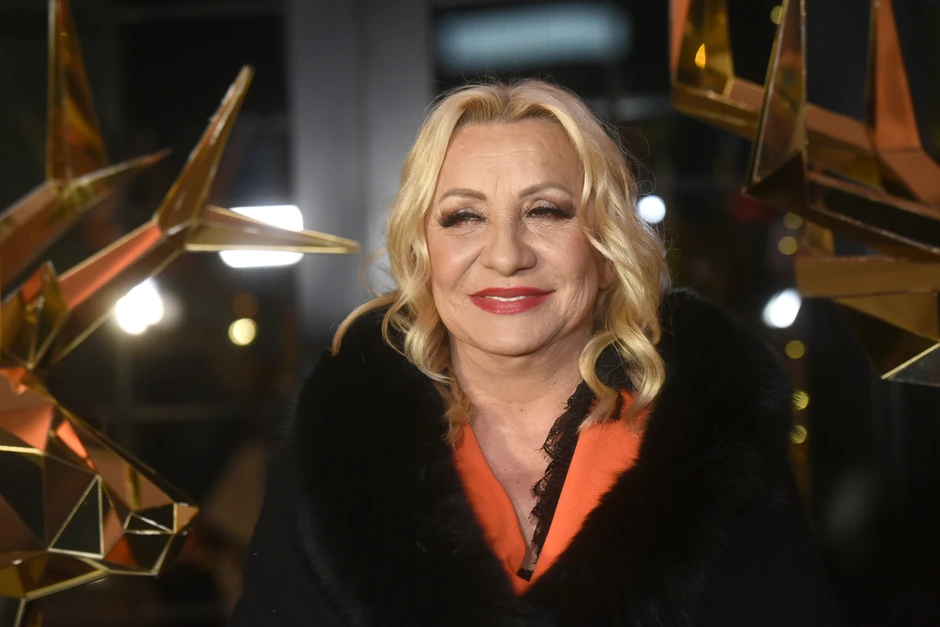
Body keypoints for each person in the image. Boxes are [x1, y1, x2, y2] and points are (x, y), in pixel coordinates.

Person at [229, 80, 842, 626]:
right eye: (464, 217)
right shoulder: (334, 456)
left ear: (606, 249)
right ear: (422, 252)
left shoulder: (720, 447)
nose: (506, 255)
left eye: (545, 211)